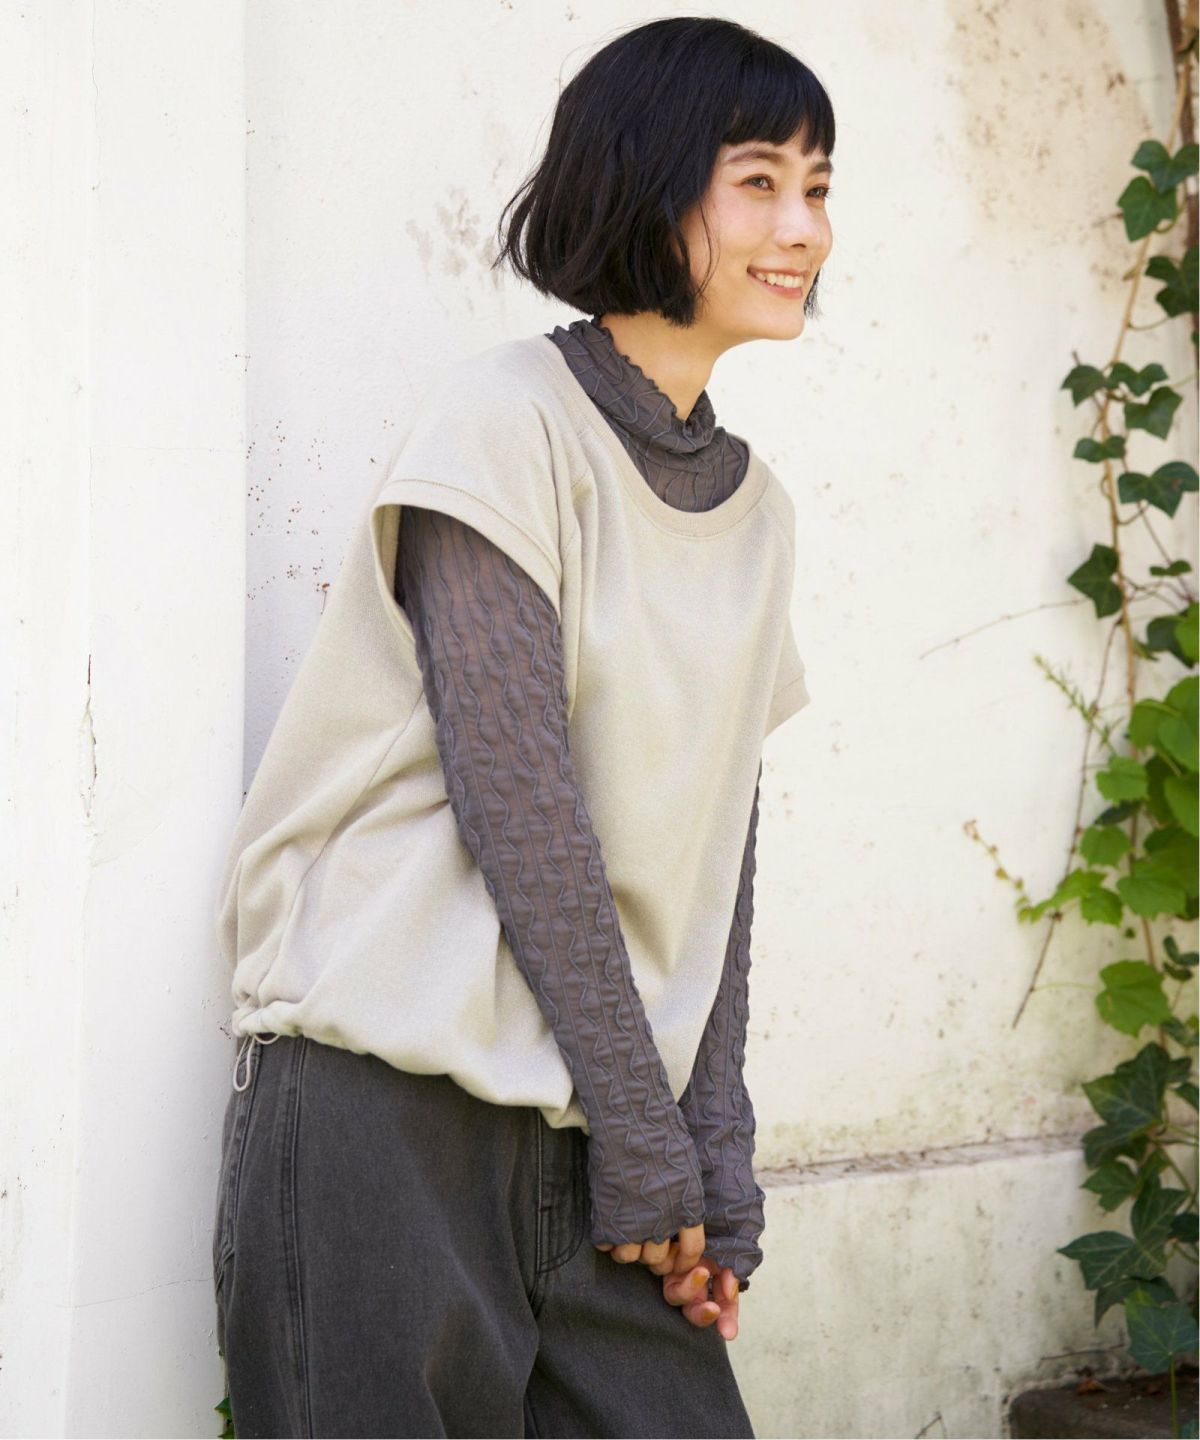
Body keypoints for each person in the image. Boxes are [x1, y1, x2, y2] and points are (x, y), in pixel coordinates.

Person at [211, 14, 834, 1438]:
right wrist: (650, 1136)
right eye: (758, 182)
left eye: (817, 187)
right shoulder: (507, 422)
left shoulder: (759, 513)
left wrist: (713, 1146)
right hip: (391, 1112)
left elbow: (717, 848)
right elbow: (521, 804)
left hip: (600, 1129)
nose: (802, 227)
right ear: (646, 185)